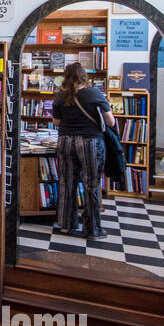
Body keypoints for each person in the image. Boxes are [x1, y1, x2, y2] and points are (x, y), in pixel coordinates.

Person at [52, 61, 116, 239]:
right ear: (83, 76)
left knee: (66, 183)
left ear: (66, 76)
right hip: (89, 142)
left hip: (65, 141)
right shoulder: (94, 93)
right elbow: (110, 122)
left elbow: (56, 122)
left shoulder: (60, 95)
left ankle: (66, 224)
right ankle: (92, 229)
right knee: (91, 184)